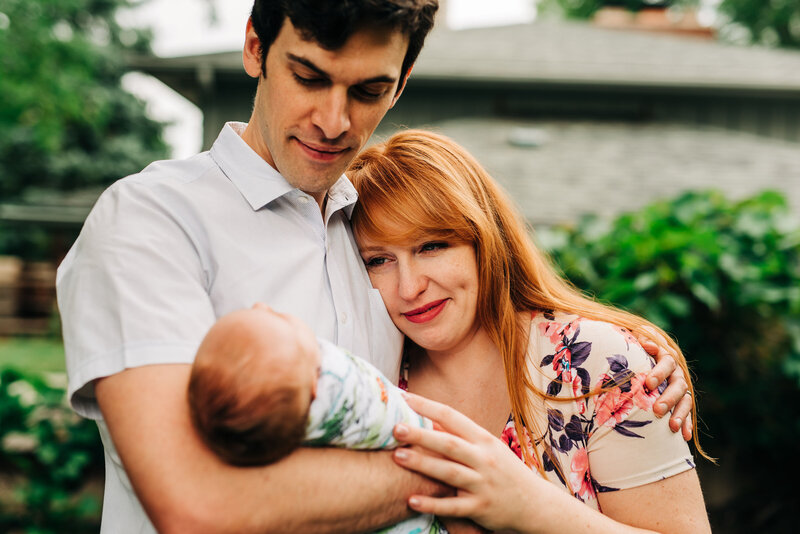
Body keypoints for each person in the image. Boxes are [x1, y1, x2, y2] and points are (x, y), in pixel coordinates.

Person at [55, 1, 692, 531]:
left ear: (403, 81)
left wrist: (625, 357)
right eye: (307, 76)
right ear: (255, 48)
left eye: (368, 90)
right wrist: (480, 473)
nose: (334, 122)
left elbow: (504, 317)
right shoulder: (151, 221)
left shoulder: (367, 226)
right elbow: (195, 509)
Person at [347, 129, 712, 533]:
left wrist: (531, 508)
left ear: (485, 239)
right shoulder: (371, 378)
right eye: (378, 260)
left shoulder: (594, 362)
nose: (409, 287)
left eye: (431, 246)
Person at [187, 303, 443, 533]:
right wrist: (429, 429)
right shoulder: (338, 384)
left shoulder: (273, 426)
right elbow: (389, 415)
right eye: (279, 319)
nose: (261, 306)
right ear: (316, 386)